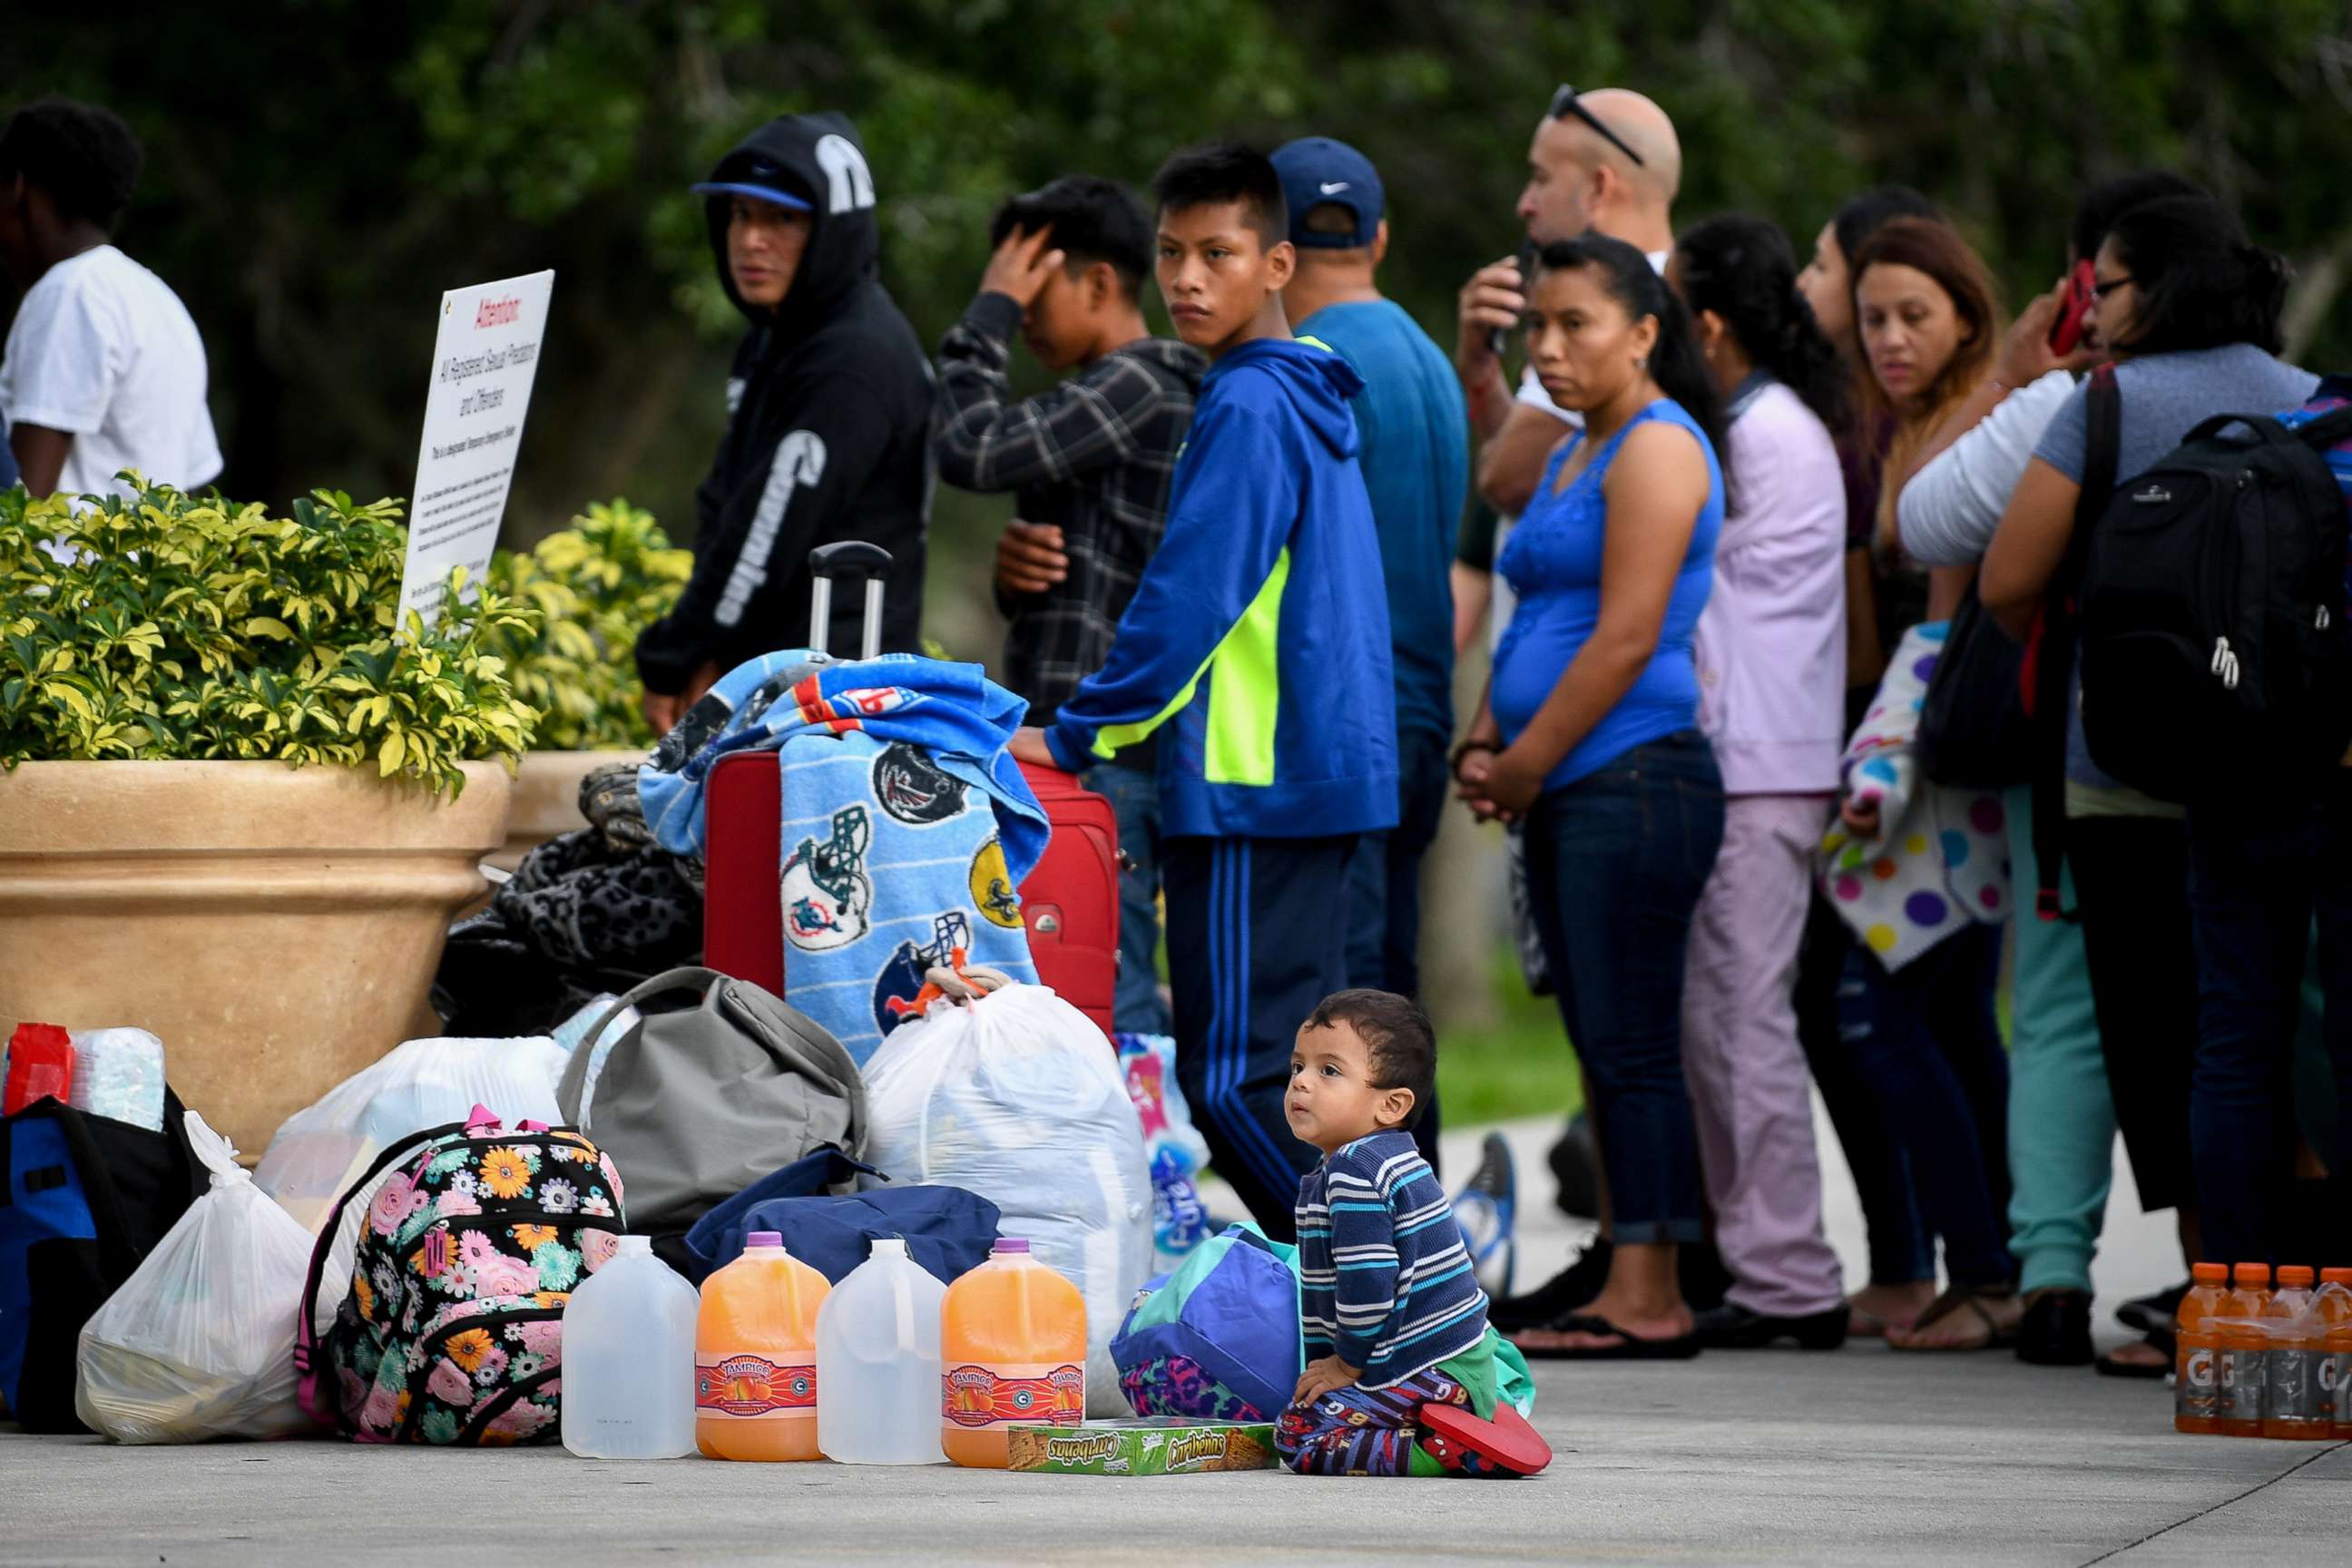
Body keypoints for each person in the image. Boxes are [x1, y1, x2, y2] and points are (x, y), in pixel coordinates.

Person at [1008, 143, 1397, 1241]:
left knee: (1237, 1080)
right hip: (1320, 777)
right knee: (1311, 1073)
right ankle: (1385, 1308)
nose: (1186, 279)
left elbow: (1192, 602)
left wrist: (1079, 735)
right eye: (1172, 253)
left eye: (1217, 254)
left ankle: (1386, 1302)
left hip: (1251, 782)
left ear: (1277, 262)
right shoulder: (1299, 390)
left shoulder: (1252, 408)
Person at [1895, 172, 2207, 1372]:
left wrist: (2023, 381)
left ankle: (2052, 1282)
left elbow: (1928, 524)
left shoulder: (2083, 405)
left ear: (2098, 289)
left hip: (2090, 762)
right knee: (2235, 1015)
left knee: (2070, 1011)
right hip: (2255, 765)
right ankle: (2229, 1282)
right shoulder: (2304, 401)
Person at [1980, 195, 2318, 1272]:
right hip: (2282, 763)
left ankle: (2205, 1286)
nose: (2095, 309)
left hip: (2121, 767)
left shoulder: (2107, 404)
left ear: (2158, 287)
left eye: (2108, 287)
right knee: (2282, 1028)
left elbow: (2007, 580)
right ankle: (2304, 1277)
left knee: (2164, 1039)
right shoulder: (2313, 399)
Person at [1453, 233, 1728, 1358]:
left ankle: (1653, 1296)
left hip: (1636, 777)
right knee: (1598, 1041)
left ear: (1646, 333)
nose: (1551, 351)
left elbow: (1623, 640)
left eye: (1578, 326)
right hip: (1571, 782)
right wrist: (1486, 734)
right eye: (1540, 331)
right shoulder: (1575, 452)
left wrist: (1521, 764)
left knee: (1634, 1046)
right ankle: (1624, 1269)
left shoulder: (1659, 450)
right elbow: (1533, 616)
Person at [930, 174, 1206, 1038]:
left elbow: (972, 447)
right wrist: (1017, 581)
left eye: (1031, 289)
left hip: (1108, 744)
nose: (1021, 312)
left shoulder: (1144, 382)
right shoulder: (1105, 395)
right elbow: (1101, 562)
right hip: (1077, 736)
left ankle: (1144, 1162)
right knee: (1076, 965)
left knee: (1108, 973)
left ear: (1099, 283)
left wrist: (984, 316)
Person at [1664, 215, 1852, 1350]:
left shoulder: (1761, 436)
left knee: (1743, 1023)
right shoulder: (1759, 422)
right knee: (1722, 1022)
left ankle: (1789, 1277)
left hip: (1756, 769)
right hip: (1752, 764)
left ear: (1711, 327)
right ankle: (1766, 1265)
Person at [1835, 216, 2018, 1350]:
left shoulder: (1975, 426)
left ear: (1966, 314)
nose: (1893, 337)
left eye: (1916, 314)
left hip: (1943, 767)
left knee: (1884, 1018)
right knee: (1951, 1018)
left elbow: (1940, 631)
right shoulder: (1897, 428)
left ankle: (1990, 1268)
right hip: (1928, 755)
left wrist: (1876, 765)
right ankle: (1996, 1265)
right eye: (1874, 318)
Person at [1786, 185, 1947, 1342]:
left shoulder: (1893, 435)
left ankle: (1950, 1262)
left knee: (1880, 1012)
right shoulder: (1848, 417)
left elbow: (1873, 629)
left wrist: (1858, 749)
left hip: (1895, 762)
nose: (1810, 287)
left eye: (1821, 263)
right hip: (1867, 751)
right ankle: (1922, 1257)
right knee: (1853, 1012)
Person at [634, 112, 933, 732]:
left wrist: (674, 656)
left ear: (834, 230)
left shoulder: (852, 360)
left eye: (783, 220)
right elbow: (724, 503)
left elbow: (760, 541)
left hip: (832, 712)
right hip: (772, 690)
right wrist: (704, 649)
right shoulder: (780, 335)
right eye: (741, 215)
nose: (751, 241)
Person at [1268, 138, 1468, 1035]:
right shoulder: (1431, 360)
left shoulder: (1308, 365)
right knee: (1391, 994)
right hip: (1424, 711)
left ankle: (1363, 1182)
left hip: (1343, 725)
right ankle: (1408, 1175)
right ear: (1379, 240)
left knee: (1339, 1005)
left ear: (1272, 247)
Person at [1274, 990, 1544, 1478]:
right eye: (1298, 1067)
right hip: (1455, 1358)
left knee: (1298, 1434)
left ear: (1391, 1104)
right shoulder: (1388, 1156)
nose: (1302, 1085)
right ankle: (1453, 1415)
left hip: (1428, 1368)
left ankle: (1450, 1449)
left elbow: (1368, 1285)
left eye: (1329, 1071)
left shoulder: (1355, 1171)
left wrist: (1345, 1367)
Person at [0, 98, 219, 500]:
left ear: (18, 191)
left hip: (65, 565)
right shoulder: (160, 302)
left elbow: (22, 505)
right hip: (146, 564)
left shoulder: (70, 293)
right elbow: (188, 488)